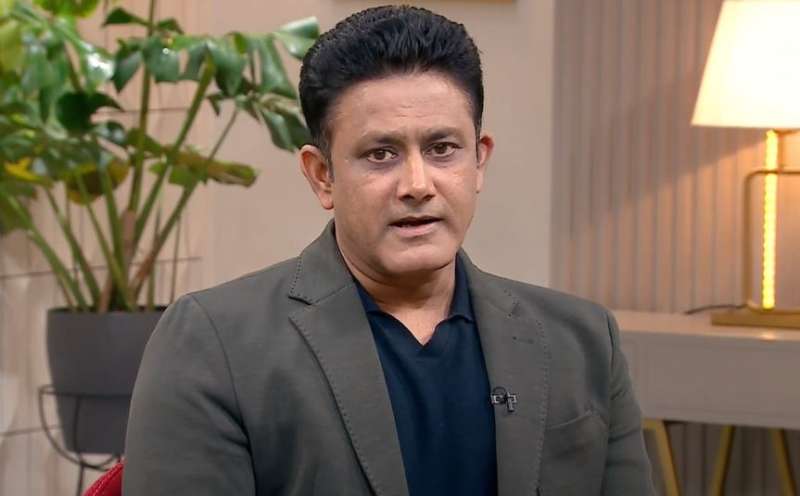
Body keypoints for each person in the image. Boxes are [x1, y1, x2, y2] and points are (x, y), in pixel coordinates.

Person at [123, 5, 655, 495]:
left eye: (442, 149)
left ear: (479, 161)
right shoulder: (213, 344)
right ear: (322, 175)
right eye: (381, 154)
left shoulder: (582, 340)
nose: (417, 184)